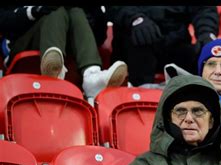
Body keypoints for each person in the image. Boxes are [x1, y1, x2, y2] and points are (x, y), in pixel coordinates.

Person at [0, 6, 128, 101]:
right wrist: (34, 11)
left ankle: (91, 76)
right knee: (57, 9)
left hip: (69, 50)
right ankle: (53, 65)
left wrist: (95, 14)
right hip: (21, 44)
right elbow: (4, 21)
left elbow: (100, 39)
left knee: (76, 10)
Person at [107, 6, 219, 88]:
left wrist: (206, 33)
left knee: (206, 54)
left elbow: (204, 10)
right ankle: (139, 96)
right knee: (141, 37)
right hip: (135, 44)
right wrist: (135, 19)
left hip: (176, 44)